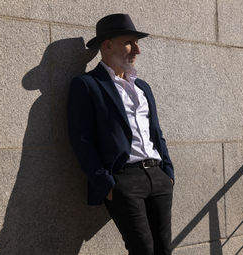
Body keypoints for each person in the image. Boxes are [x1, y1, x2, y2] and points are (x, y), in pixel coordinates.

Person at [67, 13, 174, 255]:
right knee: (142, 250)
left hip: (158, 176)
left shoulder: (142, 86)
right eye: (129, 42)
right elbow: (81, 140)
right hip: (124, 179)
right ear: (107, 45)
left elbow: (156, 132)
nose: (137, 50)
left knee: (164, 249)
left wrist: (167, 171)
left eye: (137, 43)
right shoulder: (87, 85)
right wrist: (107, 183)